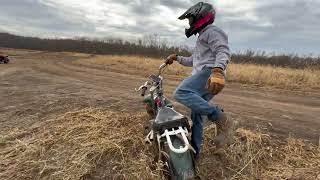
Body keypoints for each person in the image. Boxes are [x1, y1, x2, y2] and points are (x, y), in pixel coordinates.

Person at [165, 2, 234, 158]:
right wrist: (176, 58)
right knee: (197, 115)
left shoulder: (212, 32)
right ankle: (195, 153)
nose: (189, 23)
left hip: (210, 73)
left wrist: (217, 70)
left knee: (181, 92)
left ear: (201, 17)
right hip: (207, 73)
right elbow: (193, 61)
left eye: (190, 19)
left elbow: (223, 50)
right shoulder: (202, 36)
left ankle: (221, 118)